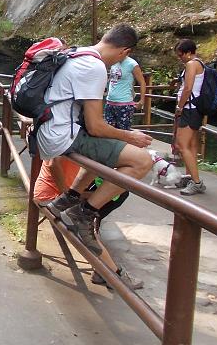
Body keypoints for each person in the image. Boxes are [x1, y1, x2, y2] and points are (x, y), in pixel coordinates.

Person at [38, 24, 153, 256]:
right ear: (125, 52)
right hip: (60, 136)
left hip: (48, 130)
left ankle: (68, 199)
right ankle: (85, 213)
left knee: (108, 151)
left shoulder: (77, 53)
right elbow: (96, 126)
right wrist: (130, 136)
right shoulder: (95, 67)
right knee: (142, 161)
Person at [34, 157, 143, 289]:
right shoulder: (69, 138)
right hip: (53, 196)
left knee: (117, 192)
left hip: (59, 192)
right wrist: (66, 196)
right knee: (84, 220)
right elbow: (53, 163)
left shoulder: (77, 140)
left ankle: (100, 266)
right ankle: (113, 274)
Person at [173, 39, 206, 195]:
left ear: (188, 52)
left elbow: (188, 88)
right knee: (191, 146)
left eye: (181, 55)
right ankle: (190, 177)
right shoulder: (200, 63)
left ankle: (197, 183)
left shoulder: (192, 64)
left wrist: (180, 106)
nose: (180, 58)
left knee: (182, 145)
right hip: (195, 109)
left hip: (189, 109)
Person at [104, 55, 146, 130]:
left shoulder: (132, 64)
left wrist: (142, 101)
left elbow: (142, 82)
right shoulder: (114, 61)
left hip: (124, 104)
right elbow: (112, 79)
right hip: (110, 102)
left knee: (123, 133)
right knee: (108, 132)